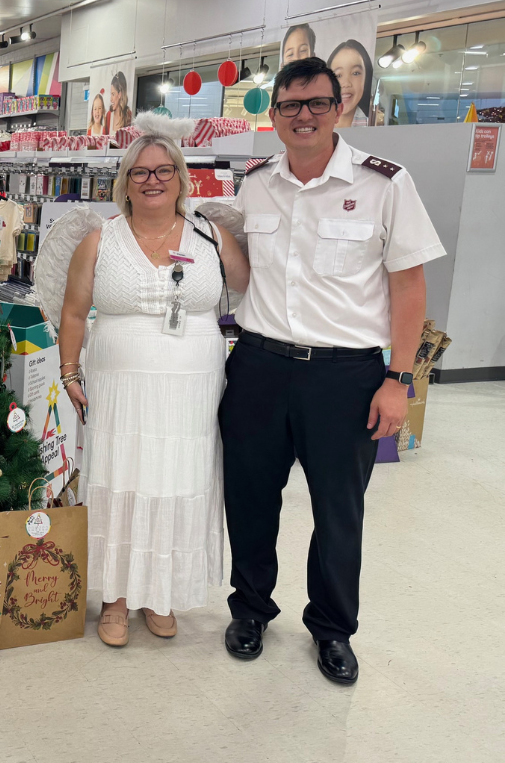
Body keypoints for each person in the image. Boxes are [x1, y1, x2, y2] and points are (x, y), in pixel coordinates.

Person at [220, 57, 445, 684]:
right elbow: (244, 275)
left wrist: (398, 380)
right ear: (273, 115)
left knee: (339, 510)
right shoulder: (257, 181)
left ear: (340, 107)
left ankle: (332, 628)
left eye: (317, 103)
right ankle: (250, 609)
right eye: (290, 105)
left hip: (345, 376)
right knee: (251, 500)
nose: (304, 116)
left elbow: (410, 287)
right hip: (260, 365)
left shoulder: (385, 183)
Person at [58, 134, 248, 647]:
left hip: (193, 387)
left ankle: (159, 592)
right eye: (140, 172)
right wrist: (70, 372)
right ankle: (117, 599)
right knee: (123, 477)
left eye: (164, 170)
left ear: (182, 178)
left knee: (177, 478)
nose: (153, 180)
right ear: (124, 181)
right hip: (119, 388)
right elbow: (73, 312)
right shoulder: (100, 239)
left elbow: (255, 290)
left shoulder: (211, 236)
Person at [328, 40, 374, 128]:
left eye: (355, 73)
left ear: (366, 78)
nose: (346, 83)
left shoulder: (372, 127)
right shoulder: (315, 125)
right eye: (338, 75)